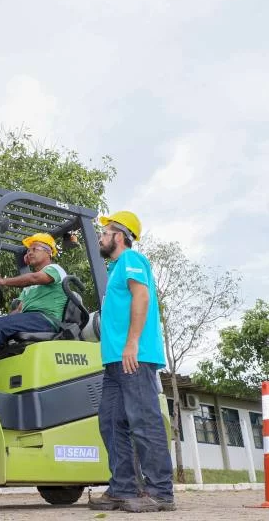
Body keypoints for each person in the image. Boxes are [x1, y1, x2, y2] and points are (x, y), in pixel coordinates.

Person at [89, 211, 176, 513]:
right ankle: (123, 488)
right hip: (115, 362)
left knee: (144, 420)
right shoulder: (115, 268)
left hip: (133, 357)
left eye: (105, 231)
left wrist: (132, 343)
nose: (100, 236)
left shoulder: (132, 260)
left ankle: (160, 492)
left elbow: (141, 298)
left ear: (120, 236)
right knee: (111, 422)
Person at [0, 233, 68, 377]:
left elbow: (34, 277)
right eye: (28, 251)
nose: (30, 253)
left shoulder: (55, 269)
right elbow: (19, 310)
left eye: (34, 249)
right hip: (31, 318)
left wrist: (3, 281)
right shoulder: (29, 287)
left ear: (48, 252)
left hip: (46, 320)